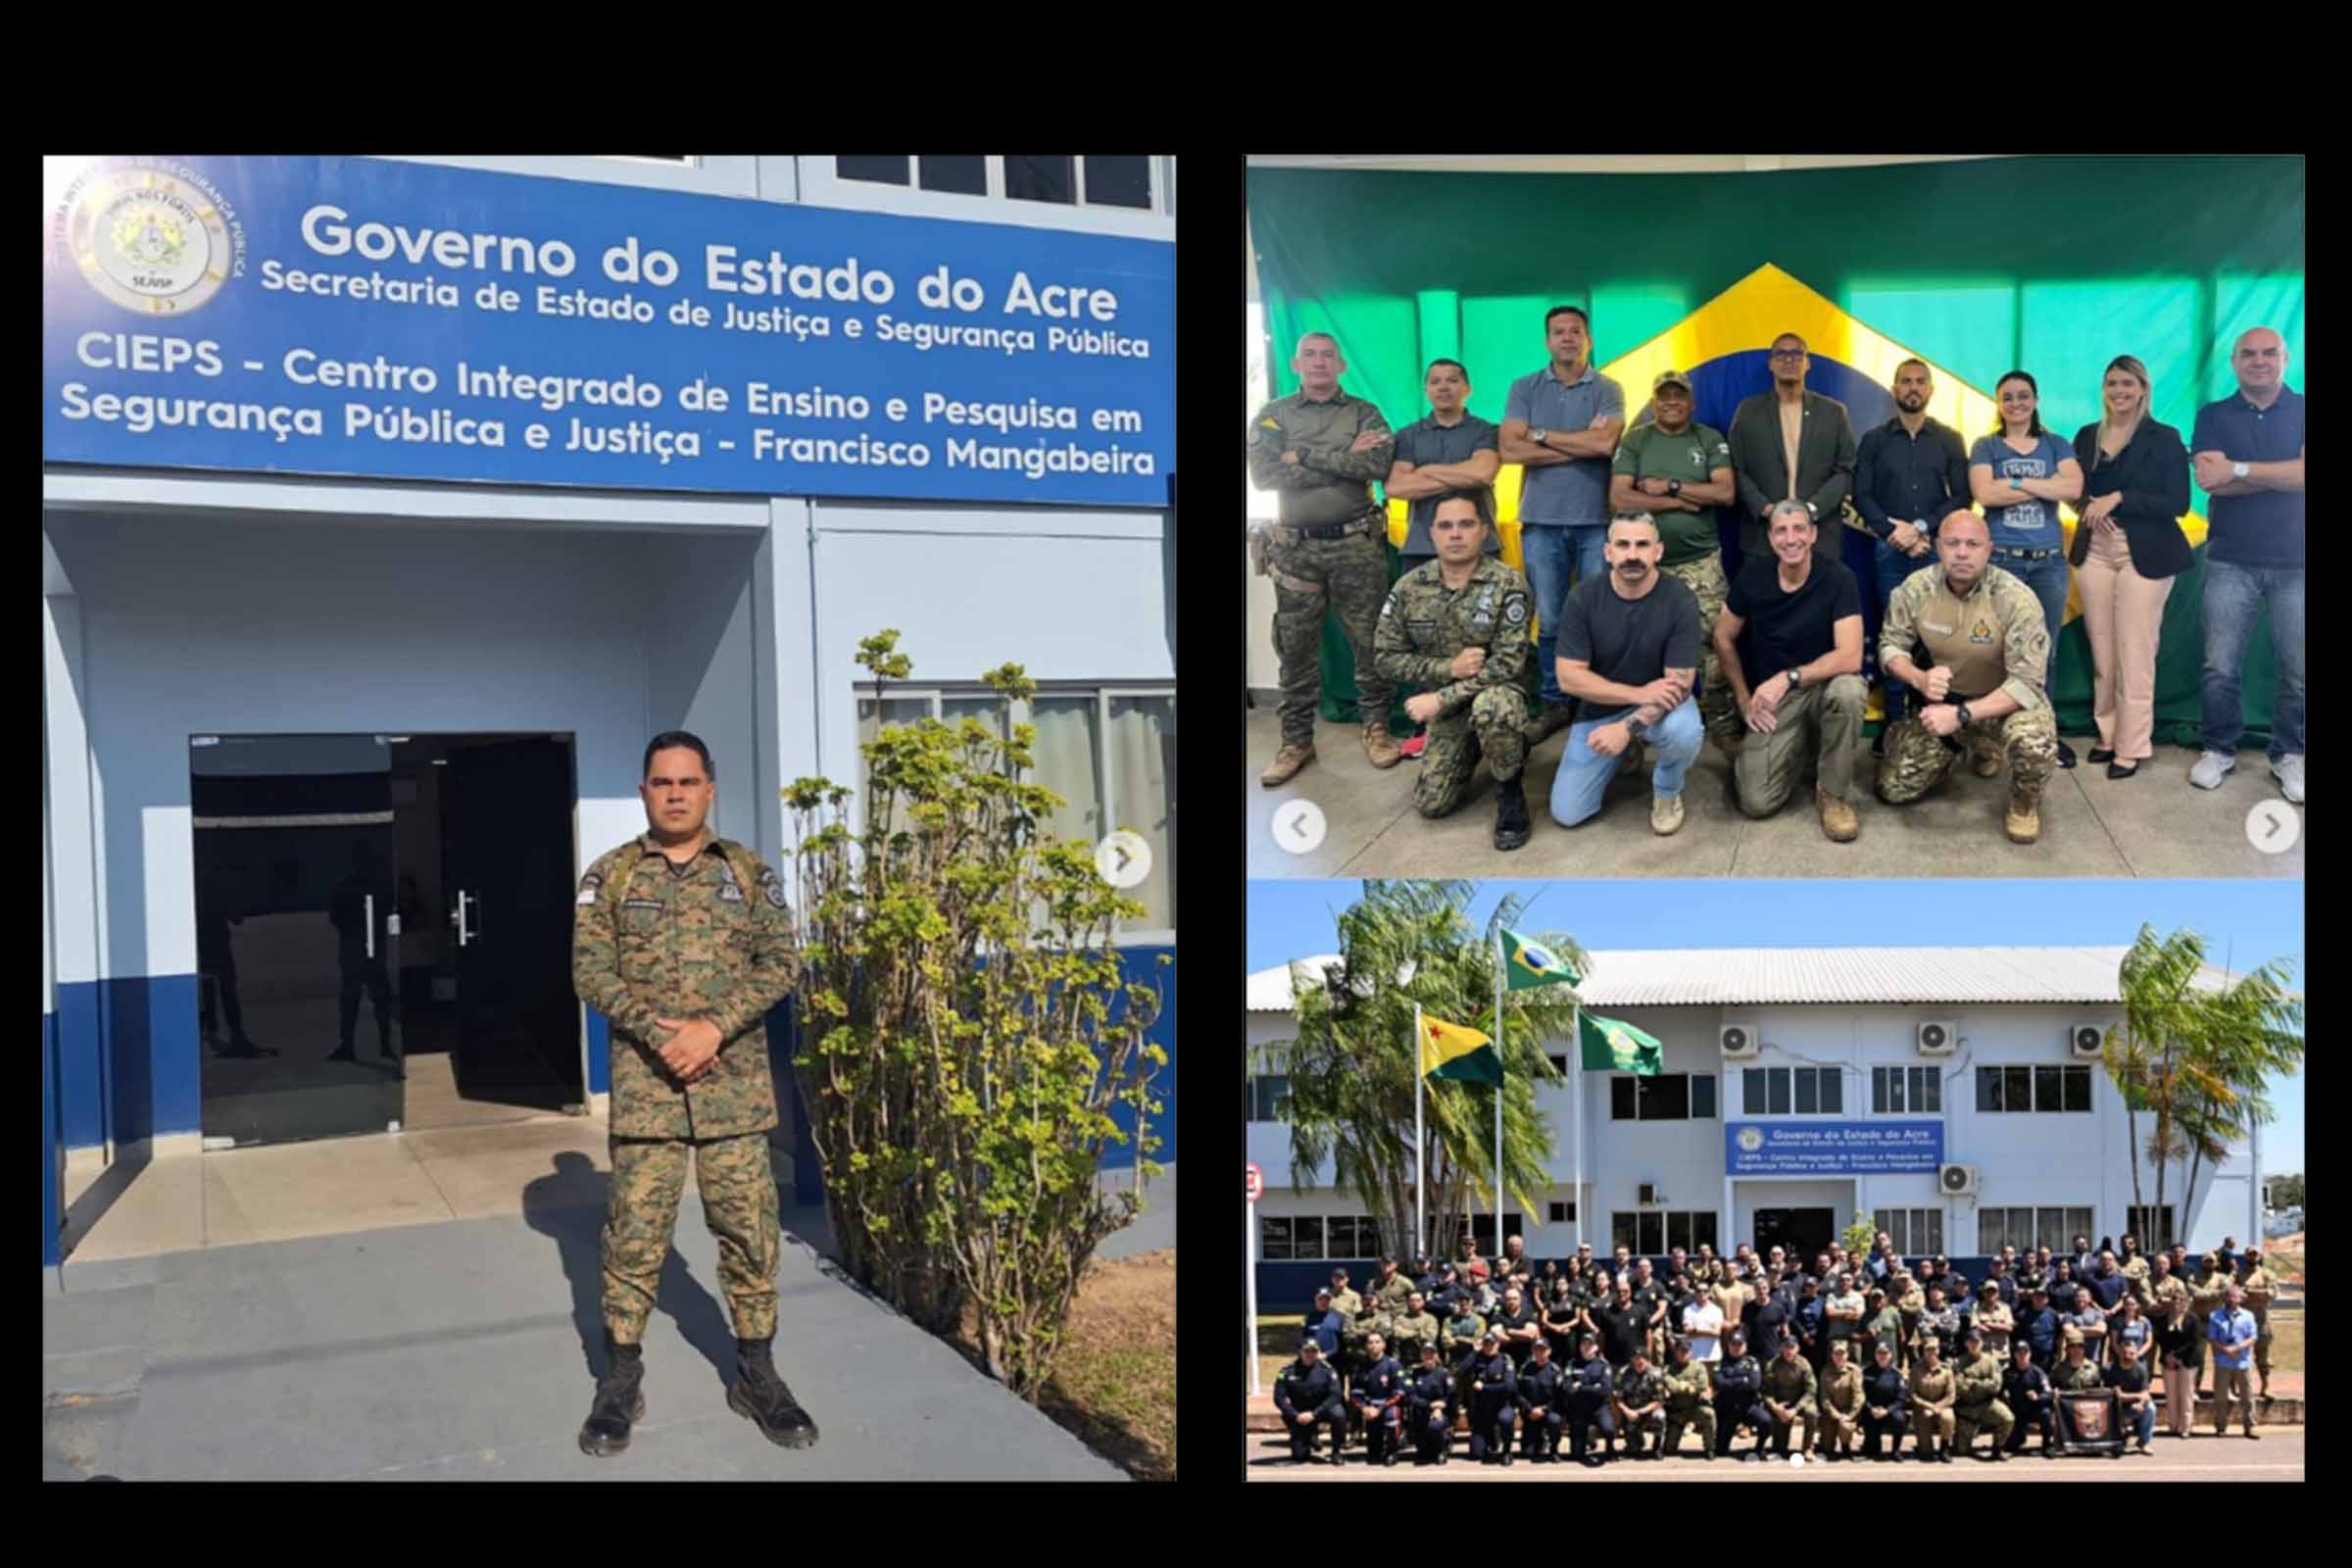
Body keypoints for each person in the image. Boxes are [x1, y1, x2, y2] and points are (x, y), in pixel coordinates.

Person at [571, 731, 813, 1457]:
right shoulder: (610, 876)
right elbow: (590, 972)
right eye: (660, 782)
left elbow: (781, 962)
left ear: (710, 788)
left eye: (687, 781)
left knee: (749, 1233)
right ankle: (620, 1379)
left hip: (732, 1096)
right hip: (649, 1096)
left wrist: (714, 1028)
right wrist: (659, 1032)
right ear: (644, 791)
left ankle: (757, 1373)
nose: (674, 793)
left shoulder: (747, 873)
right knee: (635, 1239)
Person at [1248, 331, 1401, 787]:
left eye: (1328, 356)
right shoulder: (1273, 416)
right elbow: (1265, 474)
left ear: (1341, 365)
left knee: (1371, 642)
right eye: (1310, 356)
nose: (1319, 363)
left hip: (1357, 545)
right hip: (1296, 550)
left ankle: (1377, 728)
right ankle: (1296, 740)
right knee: (1295, 649)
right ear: (1296, 364)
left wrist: (1305, 456)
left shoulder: (1363, 413)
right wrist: (1340, 457)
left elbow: (1376, 466)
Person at [1874, 510, 2061, 843]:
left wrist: (1960, 715)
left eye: (1973, 544)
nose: (1962, 552)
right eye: (1953, 543)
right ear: (1937, 547)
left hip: (2003, 704)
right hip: (1945, 701)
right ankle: (1963, 746)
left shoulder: (2016, 599)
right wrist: (1918, 679)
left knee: (2035, 742)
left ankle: (2022, 803)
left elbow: (2028, 683)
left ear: (1989, 550)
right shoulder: (1915, 589)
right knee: (1894, 788)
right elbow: (1890, 646)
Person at [1374, 491, 1536, 848]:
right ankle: (1479, 745)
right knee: (1432, 804)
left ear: (1483, 531)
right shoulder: (1409, 587)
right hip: (1447, 705)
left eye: (1466, 524)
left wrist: (1441, 699)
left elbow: (1509, 664)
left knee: (1494, 708)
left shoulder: (1508, 584)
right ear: (1431, 533)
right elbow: (1385, 657)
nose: (1456, 534)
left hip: (1497, 695)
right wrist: (1447, 667)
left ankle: (1510, 790)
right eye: (1446, 526)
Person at [1500, 304, 1628, 741]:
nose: (1568, 338)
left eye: (1576, 331)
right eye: (1559, 332)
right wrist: (1581, 443)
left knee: (1597, 616)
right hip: (1540, 521)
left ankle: (1597, 701)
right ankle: (1554, 702)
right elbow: (1510, 451)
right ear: (1547, 340)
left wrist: (1540, 434)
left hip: (1595, 521)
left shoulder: (1608, 388)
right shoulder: (1524, 388)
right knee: (1551, 619)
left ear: (1588, 339)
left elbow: (1606, 443)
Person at [2188, 326, 2304, 801]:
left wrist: (2239, 468)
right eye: (2249, 354)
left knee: (2299, 668)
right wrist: (2284, 474)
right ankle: (2219, 748)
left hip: (2297, 561)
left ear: (2285, 358)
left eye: (2269, 353)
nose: (2259, 361)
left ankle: (2290, 754)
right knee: (2220, 665)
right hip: (2229, 559)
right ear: (2234, 362)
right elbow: (2210, 482)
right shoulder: (2213, 415)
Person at [2067, 355, 2193, 781]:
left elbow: (2178, 502)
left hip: (2146, 552)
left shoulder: (2164, 437)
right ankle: (2107, 733)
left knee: (2135, 652)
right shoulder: (2086, 436)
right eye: (2111, 384)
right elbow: (2072, 491)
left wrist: (2119, 498)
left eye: (2126, 384)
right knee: (2103, 649)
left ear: (2142, 388)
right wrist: (2088, 508)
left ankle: (2132, 744)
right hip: (2094, 550)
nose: (2118, 391)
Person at [1713, 499, 1868, 839]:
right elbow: (1723, 637)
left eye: (1799, 529)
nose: (1790, 538)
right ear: (1770, 539)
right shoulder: (1752, 575)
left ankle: (1834, 795)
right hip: (1777, 701)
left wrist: (1789, 677)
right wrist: (1742, 699)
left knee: (1850, 691)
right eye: (1781, 531)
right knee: (1756, 802)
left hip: (1822, 685)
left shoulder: (1838, 577)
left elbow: (1851, 656)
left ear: (1813, 535)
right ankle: (1801, 749)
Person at [1610, 368, 1743, 757]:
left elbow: (1725, 492)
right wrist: (1682, 502)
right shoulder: (1636, 441)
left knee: (1714, 645)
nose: (1672, 402)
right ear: (1653, 402)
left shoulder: (1709, 439)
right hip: (1644, 568)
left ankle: (1720, 722)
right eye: (1664, 396)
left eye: (1679, 396)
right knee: (1636, 647)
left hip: (1701, 563)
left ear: (1691, 402)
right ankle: (1636, 729)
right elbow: (1619, 499)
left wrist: (1667, 486)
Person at [1549, 514, 1704, 833]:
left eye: (1642, 545)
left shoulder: (1680, 598)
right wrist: (1636, 695)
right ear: (1608, 552)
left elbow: (1680, 683)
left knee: (1685, 731)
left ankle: (1666, 791)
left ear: (1658, 551)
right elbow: (1568, 677)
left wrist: (1626, 726)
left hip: (1664, 707)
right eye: (1623, 545)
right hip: (1602, 709)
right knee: (1568, 813)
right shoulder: (1582, 597)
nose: (1632, 555)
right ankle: (1628, 750)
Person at [1853, 358, 1975, 745]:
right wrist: (1894, 530)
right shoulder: (1874, 439)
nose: (1913, 388)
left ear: (1930, 390)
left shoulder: (1949, 438)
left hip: (1935, 550)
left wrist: (1922, 529)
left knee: (1941, 635)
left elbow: (1962, 496)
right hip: (1889, 551)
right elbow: (1862, 495)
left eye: (1920, 382)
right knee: (1895, 633)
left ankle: (1940, 719)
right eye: (1905, 381)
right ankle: (1893, 722)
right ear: (1894, 390)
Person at [1967, 369, 2084, 767]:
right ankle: (1992, 737)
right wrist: (2039, 483)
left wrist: (2014, 483)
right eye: (2008, 397)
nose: (2016, 403)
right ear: (1999, 404)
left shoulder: (2055, 443)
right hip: (2001, 562)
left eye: (2023, 396)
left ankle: (2041, 734)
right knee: (1996, 652)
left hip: (2048, 564)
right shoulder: (1986, 446)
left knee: (2043, 652)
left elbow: (2072, 489)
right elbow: (1984, 493)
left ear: (2035, 400)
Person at [1726, 331, 1858, 564]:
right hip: (1762, 539)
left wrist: (1812, 509)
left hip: (1820, 538)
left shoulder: (1834, 412)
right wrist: (1765, 508)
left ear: (1807, 363)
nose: (1789, 360)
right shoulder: (1748, 411)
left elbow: (1846, 469)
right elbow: (1735, 468)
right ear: (1770, 363)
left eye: (1797, 354)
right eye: (1781, 354)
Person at [1387, 358, 1503, 561]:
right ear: (1426, 391)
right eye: (1435, 382)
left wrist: (1425, 470)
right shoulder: (1407, 435)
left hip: (1481, 546)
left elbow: (1483, 474)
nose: (1443, 387)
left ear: (1467, 388)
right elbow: (1396, 487)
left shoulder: (1486, 430)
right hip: (1421, 547)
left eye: (1452, 380)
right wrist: (1464, 476)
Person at [1274, 1336, 1348, 1464]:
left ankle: (1336, 1451)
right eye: (1306, 1351)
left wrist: (1314, 1413)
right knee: (1299, 1456)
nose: (1310, 1354)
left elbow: (1335, 1395)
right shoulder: (1287, 1371)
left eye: (1314, 1351)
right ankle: (1309, 1436)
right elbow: (1279, 1398)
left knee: (1339, 1413)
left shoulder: (1327, 1370)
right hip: (1300, 1414)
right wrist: (1295, 1415)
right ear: (1299, 1352)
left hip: (1322, 1410)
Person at [1949, 1325, 2015, 1462]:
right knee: (1961, 1452)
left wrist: (1973, 1383)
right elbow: (1960, 1386)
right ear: (1966, 1344)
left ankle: (1997, 1449)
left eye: (1977, 1342)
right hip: (1966, 1408)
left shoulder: (1990, 1361)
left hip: (1987, 1404)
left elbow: (1996, 1385)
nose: (1974, 1345)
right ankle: (1963, 1441)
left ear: (1982, 1343)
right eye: (1971, 1342)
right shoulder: (1958, 1362)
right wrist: (1985, 1383)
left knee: (2008, 1419)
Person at [2152, 1263, 2201, 1440]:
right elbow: (2160, 1339)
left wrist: (2178, 1356)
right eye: (2175, 1299)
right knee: (2171, 1395)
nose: (2178, 1302)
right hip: (2168, 1361)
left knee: (2186, 1394)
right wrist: (2168, 1356)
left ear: (2187, 1301)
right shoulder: (2165, 1319)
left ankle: (2185, 1427)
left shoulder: (2192, 1319)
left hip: (2188, 1361)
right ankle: (2173, 1425)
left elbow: (2194, 1341)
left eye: (2182, 1299)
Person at [2206, 1283, 2260, 1440]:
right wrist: (2226, 1350)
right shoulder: (2215, 1316)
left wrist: (2238, 1348)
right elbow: (2212, 1338)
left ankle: (2250, 1428)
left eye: (2235, 1296)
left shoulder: (2248, 1316)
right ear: (2224, 1298)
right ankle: (2221, 1427)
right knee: (2221, 1397)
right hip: (2223, 1361)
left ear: (2240, 1299)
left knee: (2248, 1397)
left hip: (2243, 1362)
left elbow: (2253, 1337)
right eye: (2229, 1295)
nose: (2232, 1299)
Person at [1711, 1327, 1770, 1461]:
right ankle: (1722, 1443)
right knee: (1720, 1452)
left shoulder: (1752, 1362)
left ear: (1745, 1346)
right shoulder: (1721, 1363)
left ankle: (1759, 1448)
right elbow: (1718, 1383)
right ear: (1728, 1345)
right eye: (1733, 1344)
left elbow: (1754, 1385)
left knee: (1766, 1420)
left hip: (1747, 1407)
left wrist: (1730, 1383)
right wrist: (1742, 1380)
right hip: (1727, 1410)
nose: (1736, 1347)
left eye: (1740, 1344)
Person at [1350, 1330, 1407, 1466]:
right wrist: (1364, 1408)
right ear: (1366, 1346)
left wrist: (1380, 1409)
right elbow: (1355, 1394)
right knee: (1373, 1457)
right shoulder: (1361, 1366)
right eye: (1370, 1342)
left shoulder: (1393, 1365)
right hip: (1370, 1408)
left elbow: (1399, 1393)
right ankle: (1375, 1451)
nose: (1373, 1345)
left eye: (1377, 1342)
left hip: (1389, 1405)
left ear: (1384, 1345)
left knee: (1392, 1416)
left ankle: (1391, 1452)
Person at [1561, 1330, 1617, 1466]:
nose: (1587, 1347)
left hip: (1599, 1408)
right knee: (1576, 1455)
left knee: (1609, 1429)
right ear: (1580, 1347)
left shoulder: (1603, 1365)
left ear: (1596, 1347)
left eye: (1590, 1344)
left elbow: (1605, 1389)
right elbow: (1567, 1388)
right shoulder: (1572, 1364)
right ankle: (1588, 1437)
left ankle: (1610, 1447)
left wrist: (1580, 1387)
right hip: (1579, 1410)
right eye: (1584, 1344)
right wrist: (1593, 1387)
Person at [1760, 1335, 1819, 1463]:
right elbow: (1766, 1391)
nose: (1789, 1351)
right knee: (1779, 1448)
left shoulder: (1804, 1364)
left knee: (1812, 1412)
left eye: (1792, 1347)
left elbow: (1811, 1390)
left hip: (1800, 1402)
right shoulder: (1773, 1365)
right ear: (1781, 1348)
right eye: (1786, 1347)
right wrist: (1775, 1406)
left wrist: (1796, 1409)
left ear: (1797, 1348)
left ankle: (1808, 1448)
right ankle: (1780, 1447)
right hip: (1782, 1403)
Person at [1466, 1329, 1520, 1464]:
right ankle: (1492, 1439)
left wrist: (1485, 1387)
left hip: (1502, 1405)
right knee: (1476, 1454)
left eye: (1492, 1343)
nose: (1489, 1346)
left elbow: (1509, 1386)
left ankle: (1506, 1452)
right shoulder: (1477, 1358)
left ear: (1498, 1344)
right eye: (1486, 1343)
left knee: (1506, 1419)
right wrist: (1474, 1352)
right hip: (1483, 1408)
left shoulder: (1505, 1360)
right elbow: (1461, 1371)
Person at [1660, 1335, 1717, 1459]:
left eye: (1687, 1351)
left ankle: (1710, 1448)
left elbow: (1702, 1385)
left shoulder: (1699, 1367)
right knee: (1669, 1450)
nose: (1684, 1353)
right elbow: (1671, 1385)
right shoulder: (1669, 1368)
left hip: (1695, 1408)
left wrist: (1684, 1387)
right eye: (1681, 1350)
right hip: (1677, 1411)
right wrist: (1687, 1386)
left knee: (1709, 1414)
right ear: (1676, 1351)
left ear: (1691, 1352)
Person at [1514, 1335, 1568, 1463]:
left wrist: (1544, 1409)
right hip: (1530, 1413)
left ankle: (1554, 1449)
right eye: (1537, 1349)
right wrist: (1529, 1409)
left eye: (1543, 1349)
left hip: (1549, 1411)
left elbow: (1560, 1396)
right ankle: (1540, 1438)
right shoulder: (1525, 1369)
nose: (1539, 1352)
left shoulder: (1555, 1370)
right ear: (1532, 1351)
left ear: (1549, 1351)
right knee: (1528, 1453)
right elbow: (1518, 1393)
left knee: (1554, 1421)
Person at [2051, 1328, 2108, 1446]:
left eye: (2080, 1347)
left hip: (2088, 1410)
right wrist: (2054, 1392)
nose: (2077, 1350)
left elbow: (2100, 1389)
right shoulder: (2059, 1369)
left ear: (2084, 1349)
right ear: (2067, 1349)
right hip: (2067, 1411)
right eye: (2073, 1347)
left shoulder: (2093, 1368)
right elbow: (2052, 1386)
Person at [2002, 1339, 2057, 1459]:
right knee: (2010, 1447)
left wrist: (2038, 1397)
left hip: (2034, 1409)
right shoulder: (2008, 1373)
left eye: (2025, 1353)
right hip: (2016, 1412)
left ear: (2030, 1354)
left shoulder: (2037, 1372)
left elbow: (2048, 1393)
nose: (2022, 1356)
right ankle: (2018, 1438)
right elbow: (1999, 1392)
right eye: (2019, 1353)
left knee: (2046, 1413)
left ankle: (2047, 1444)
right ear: (2014, 1354)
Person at [1612, 1345, 1669, 1461]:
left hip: (1649, 1410)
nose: (1639, 1361)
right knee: (1634, 1450)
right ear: (1632, 1359)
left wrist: (1640, 1412)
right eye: (1636, 1358)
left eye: (1642, 1358)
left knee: (1660, 1416)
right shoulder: (1623, 1372)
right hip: (1630, 1412)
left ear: (1647, 1360)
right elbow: (1617, 1397)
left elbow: (1659, 1400)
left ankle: (1657, 1446)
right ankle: (1636, 1443)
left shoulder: (1656, 1373)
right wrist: (1627, 1411)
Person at [1907, 1335, 1958, 1463]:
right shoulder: (1916, 1369)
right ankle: (1924, 1447)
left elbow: (1951, 1395)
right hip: (1922, 1409)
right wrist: (1928, 1406)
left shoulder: (1946, 1370)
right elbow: (1912, 1394)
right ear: (1923, 1351)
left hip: (1942, 1406)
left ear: (1939, 1350)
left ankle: (1944, 1449)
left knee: (1948, 1417)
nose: (1931, 1353)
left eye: (1934, 1349)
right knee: (1926, 1454)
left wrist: (1937, 1408)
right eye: (1928, 1349)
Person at [2237, 1247, 2279, 1397]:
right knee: (2239, 1355)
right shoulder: (2237, 1273)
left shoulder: (2267, 1274)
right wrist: (2260, 1292)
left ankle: (2265, 1387)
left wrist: (2249, 1291)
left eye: (2255, 1254)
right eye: (2250, 1254)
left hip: (2261, 1320)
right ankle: (2238, 1388)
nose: (2252, 1256)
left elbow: (2272, 1294)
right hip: (2241, 1321)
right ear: (2245, 1255)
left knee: (2264, 1356)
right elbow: (2235, 1293)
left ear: (2260, 1256)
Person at [1407, 1342, 1456, 1466]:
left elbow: (1451, 1395)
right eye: (1425, 1353)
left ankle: (1442, 1449)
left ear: (1436, 1355)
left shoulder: (1444, 1373)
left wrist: (1441, 1407)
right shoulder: (1415, 1373)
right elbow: (1411, 1396)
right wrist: (1429, 1405)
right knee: (1423, 1453)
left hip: (1441, 1413)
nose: (1428, 1356)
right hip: (1421, 1412)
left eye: (1431, 1353)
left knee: (1435, 1425)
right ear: (1421, 1356)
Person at [1861, 1338, 1909, 1462]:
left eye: (1885, 1353)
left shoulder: (1897, 1375)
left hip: (1890, 1411)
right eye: (1879, 1353)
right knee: (1872, 1451)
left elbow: (1901, 1398)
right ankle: (1872, 1445)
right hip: (1871, 1411)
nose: (1882, 1356)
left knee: (1900, 1419)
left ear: (1890, 1355)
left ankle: (1895, 1450)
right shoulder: (1866, 1372)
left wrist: (1887, 1410)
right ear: (1875, 1355)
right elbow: (1861, 1395)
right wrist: (1871, 1408)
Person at [1817, 1338, 1865, 1461]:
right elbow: (1824, 1398)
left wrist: (1850, 1415)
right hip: (1831, 1412)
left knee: (1845, 1427)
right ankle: (1824, 1443)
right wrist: (1836, 1414)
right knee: (1827, 1449)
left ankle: (1845, 1446)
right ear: (1831, 1355)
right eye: (1836, 1354)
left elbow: (1859, 1396)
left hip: (1848, 1411)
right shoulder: (1825, 1371)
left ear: (1847, 1355)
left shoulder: (1854, 1371)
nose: (1839, 1357)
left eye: (1842, 1353)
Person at [2108, 1338, 2156, 1454]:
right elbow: (2119, 1396)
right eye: (2124, 1353)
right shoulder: (2109, 1369)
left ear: (2136, 1354)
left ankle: (2144, 1442)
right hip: (2113, 1408)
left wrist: (2140, 1403)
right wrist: (2138, 1396)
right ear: (2119, 1353)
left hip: (2134, 1406)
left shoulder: (2141, 1369)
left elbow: (2146, 1394)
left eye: (2131, 1353)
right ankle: (2115, 1440)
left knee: (2150, 1408)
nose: (2128, 1356)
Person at [1683, 1270, 1728, 1364]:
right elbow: (1687, 1332)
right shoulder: (1688, 1310)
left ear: (1709, 1293)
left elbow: (1716, 1333)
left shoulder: (1716, 1310)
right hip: (1694, 1355)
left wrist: (1696, 1330)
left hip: (1712, 1356)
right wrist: (1709, 1330)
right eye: (1699, 1291)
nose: (1702, 1293)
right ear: (1695, 1293)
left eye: (1705, 1291)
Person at [1916, 1283, 1961, 1373]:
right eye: (1933, 1290)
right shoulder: (1923, 1311)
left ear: (1943, 1294)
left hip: (1947, 1353)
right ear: (1929, 1294)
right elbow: (1925, 1331)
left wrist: (1937, 1326)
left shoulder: (1952, 1310)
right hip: (1929, 1355)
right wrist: (1945, 1329)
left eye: (1939, 1290)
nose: (1936, 1292)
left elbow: (1954, 1329)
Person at [1493, 1286, 1542, 1369]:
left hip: (1525, 1358)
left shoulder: (1528, 1314)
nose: (1511, 1301)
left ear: (1520, 1300)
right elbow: (1496, 1335)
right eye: (1508, 1299)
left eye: (1514, 1298)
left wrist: (1509, 1331)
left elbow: (1531, 1334)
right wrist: (1521, 1337)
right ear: (1504, 1300)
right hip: (1504, 1359)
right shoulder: (1498, 1316)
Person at [2018, 1284, 2060, 1375]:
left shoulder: (2053, 1314)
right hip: (2028, 1356)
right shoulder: (2022, 1315)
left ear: (2047, 1299)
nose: (2039, 1299)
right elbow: (2017, 1335)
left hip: (2047, 1356)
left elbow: (2058, 1333)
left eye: (2042, 1296)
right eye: (2037, 1296)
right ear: (2032, 1298)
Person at [1391, 1291, 1442, 1366]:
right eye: (1412, 1300)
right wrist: (1418, 1332)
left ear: (1423, 1302)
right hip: (1404, 1359)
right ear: (1407, 1302)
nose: (1414, 1303)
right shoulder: (1400, 1319)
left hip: (1426, 1360)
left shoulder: (1430, 1318)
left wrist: (1407, 1333)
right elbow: (1397, 1333)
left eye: (1418, 1300)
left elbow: (1430, 1336)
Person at [2111, 1293, 2153, 1372]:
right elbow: (2114, 1342)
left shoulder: (2144, 1322)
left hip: (2139, 1360)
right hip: (2122, 1360)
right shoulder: (2117, 1322)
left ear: (2137, 1305)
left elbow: (2149, 1341)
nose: (2130, 1307)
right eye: (2127, 1304)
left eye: (2133, 1304)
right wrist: (2122, 1355)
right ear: (2123, 1306)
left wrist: (2137, 1355)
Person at [1973, 1279, 2014, 1357]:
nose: (1991, 1294)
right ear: (1983, 1293)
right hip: (1984, 1354)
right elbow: (1975, 1326)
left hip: (2002, 1354)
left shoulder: (2005, 1308)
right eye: (1988, 1291)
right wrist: (2000, 1326)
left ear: (1998, 1294)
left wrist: (1988, 1324)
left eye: (1993, 1291)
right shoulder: (1976, 1307)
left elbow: (2009, 1328)